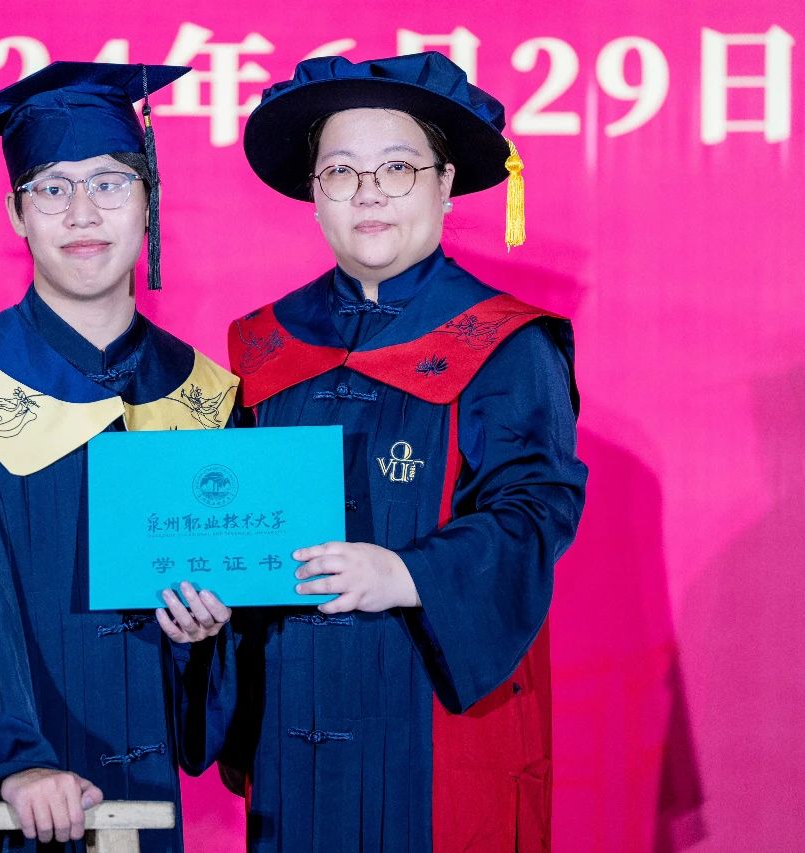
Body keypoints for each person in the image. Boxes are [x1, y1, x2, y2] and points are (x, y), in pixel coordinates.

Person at [223, 53, 588, 851]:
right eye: (340, 172)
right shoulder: (261, 345)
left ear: (445, 183)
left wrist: (407, 573)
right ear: (314, 193)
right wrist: (205, 610)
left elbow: (537, 509)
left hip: (435, 716)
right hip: (294, 717)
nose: (368, 193)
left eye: (397, 168)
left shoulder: (507, 344)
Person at [0, 62, 236, 853]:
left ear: (149, 200)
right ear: (17, 212)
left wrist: (202, 639)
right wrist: (14, 764)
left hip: (146, 804)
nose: (82, 213)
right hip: (13, 810)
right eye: (51, 188)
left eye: (110, 183)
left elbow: (216, 647)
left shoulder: (203, 394)